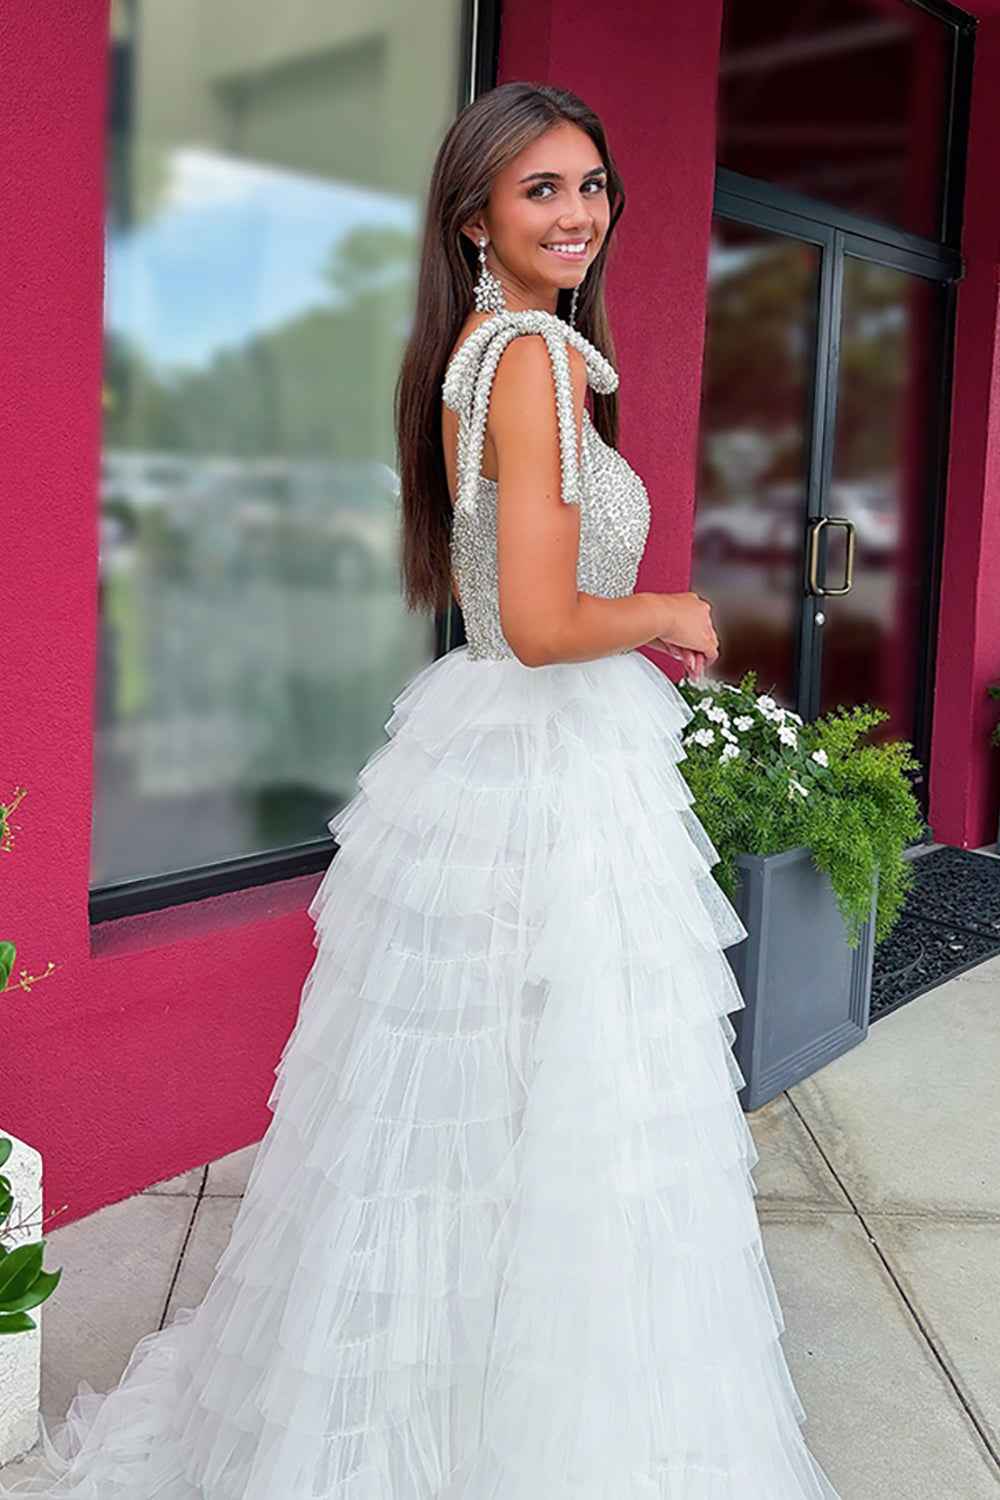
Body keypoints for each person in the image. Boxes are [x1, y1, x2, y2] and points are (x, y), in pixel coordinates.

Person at [0, 80, 842, 1500]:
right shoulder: (533, 363)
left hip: (507, 748)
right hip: (547, 753)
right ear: (475, 219)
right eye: (540, 191)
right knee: (567, 1081)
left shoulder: (485, 351)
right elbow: (535, 619)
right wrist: (672, 611)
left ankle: (460, 1370)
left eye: (591, 185)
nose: (578, 215)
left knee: (485, 1083)